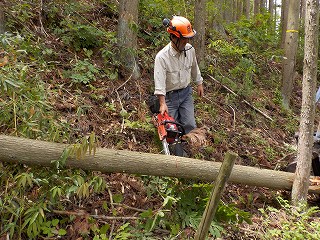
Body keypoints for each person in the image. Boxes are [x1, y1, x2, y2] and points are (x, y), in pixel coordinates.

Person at [153, 16, 204, 134]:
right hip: (170, 97)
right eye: (183, 39)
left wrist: (199, 83)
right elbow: (159, 82)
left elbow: (194, 67)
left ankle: (189, 146)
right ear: (173, 37)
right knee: (172, 129)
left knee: (190, 125)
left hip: (186, 94)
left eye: (187, 39)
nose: (186, 41)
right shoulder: (162, 57)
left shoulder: (190, 50)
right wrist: (162, 103)